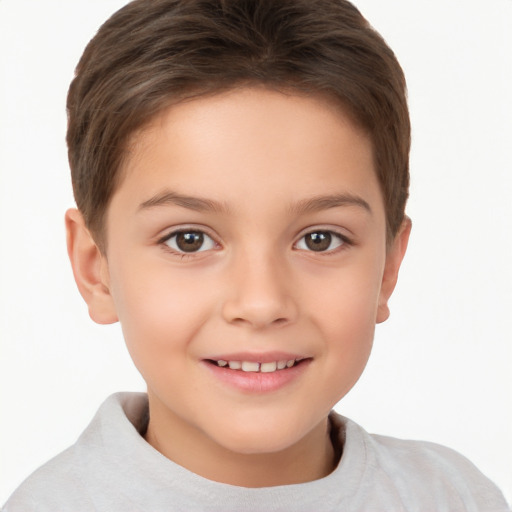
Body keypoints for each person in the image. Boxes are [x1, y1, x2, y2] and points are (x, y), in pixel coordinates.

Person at [2, 0, 509, 510]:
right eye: (189, 239)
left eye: (320, 239)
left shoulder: (454, 497)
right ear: (96, 268)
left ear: (388, 267)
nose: (262, 302)